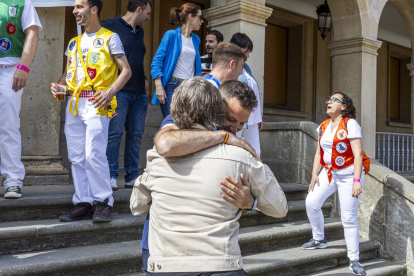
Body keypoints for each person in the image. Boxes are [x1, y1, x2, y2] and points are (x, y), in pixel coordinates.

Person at [131, 77, 288, 275]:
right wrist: (224, 138)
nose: (235, 128)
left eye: (242, 124)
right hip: (213, 263)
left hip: (168, 264)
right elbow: (165, 144)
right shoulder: (239, 153)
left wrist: (250, 202)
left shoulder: (157, 157)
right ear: (215, 108)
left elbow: (137, 205)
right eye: (230, 119)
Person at [50, 0, 131, 222]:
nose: (75, 11)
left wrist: (111, 91)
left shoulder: (110, 37)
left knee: (93, 153)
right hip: (74, 104)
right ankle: (83, 202)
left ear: (93, 9)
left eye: (79, 7)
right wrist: (60, 88)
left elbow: (126, 71)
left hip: (97, 103)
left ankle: (103, 201)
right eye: (75, 7)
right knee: (76, 156)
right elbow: (66, 76)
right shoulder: (73, 43)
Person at [302, 92, 370, 276]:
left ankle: (354, 260)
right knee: (311, 202)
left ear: (344, 107)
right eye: (328, 99)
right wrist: (314, 175)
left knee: (348, 218)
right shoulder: (323, 125)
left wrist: (357, 181)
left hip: (349, 174)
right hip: (329, 172)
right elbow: (318, 153)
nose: (329, 102)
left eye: (334, 100)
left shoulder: (351, 124)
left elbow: (357, 155)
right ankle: (319, 239)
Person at [101, 0, 152, 190]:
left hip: (139, 92)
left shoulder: (140, 31)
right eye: (147, 13)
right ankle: (110, 175)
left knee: (136, 135)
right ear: (138, 10)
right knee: (113, 134)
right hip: (119, 91)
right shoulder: (109, 25)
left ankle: (132, 176)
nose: (148, 17)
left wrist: (144, 77)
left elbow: (136, 58)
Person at [0, 0, 42, 199]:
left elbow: (32, 33)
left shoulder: (21, 2)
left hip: (9, 69)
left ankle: (13, 180)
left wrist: (23, 67)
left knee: (8, 125)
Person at [150, 3, 203, 118]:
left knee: (187, 124)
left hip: (189, 88)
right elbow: (157, 61)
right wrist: (159, 86)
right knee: (172, 123)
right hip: (171, 86)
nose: (202, 21)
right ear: (190, 17)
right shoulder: (171, 35)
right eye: (200, 17)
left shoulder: (196, 39)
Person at [230, 33, 263, 157]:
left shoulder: (247, 68)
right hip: (238, 117)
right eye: (245, 51)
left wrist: (259, 116)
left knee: (255, 152)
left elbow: (253, 91)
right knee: (236, 148)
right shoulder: (231, 66)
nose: (248, 55)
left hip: (253, 118)